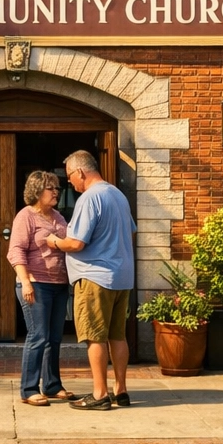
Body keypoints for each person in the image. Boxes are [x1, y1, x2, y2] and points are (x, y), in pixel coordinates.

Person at [47, 150, 135, 411]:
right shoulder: (117, 195)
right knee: (117, 336)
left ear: (81, 172)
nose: (70, 182)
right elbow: (129, 234)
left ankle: (99, 394)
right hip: (121, 276)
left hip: (94, 277)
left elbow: (76, 242)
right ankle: (121, 390)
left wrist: (54, 241)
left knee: (94, 337)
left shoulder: (89, 198)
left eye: (70, 176)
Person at [8, 170, 74, 406]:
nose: (57, 192)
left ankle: (52, 385)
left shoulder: (58, 217)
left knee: (54, 338)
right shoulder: (26, 216)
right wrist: (25, 281)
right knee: (38, 336)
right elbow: (15, 251)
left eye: (58, 188)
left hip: (58, 284)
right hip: (35, 284)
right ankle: (28, 389)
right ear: (37, 191)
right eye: (51, 188)